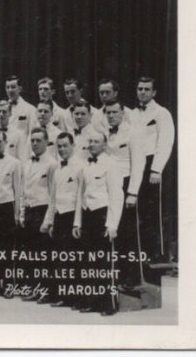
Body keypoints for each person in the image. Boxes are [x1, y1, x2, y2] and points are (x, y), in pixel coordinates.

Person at [75, 131, 124, 316]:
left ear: (104, 145)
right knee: (89, 263)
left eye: (96, 141)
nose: (92, 144)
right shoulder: (85, 165)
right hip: (88, 216)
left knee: (104, 263)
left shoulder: (111, 164)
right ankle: (92, 302)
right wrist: (77, 223)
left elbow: (116, 196)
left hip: (103, 216)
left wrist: (112, 225)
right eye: (90, 141)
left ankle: (109, 304)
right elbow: (81, 195)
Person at [130, 76, 176, 264]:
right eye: (140, 88)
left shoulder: (162, 113)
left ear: (154, 92)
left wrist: (156, 169)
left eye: (147, 89)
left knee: (154, 210)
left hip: (153, 165)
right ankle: (143, 252)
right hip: (135, 163)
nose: (142, 92)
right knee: (139, 209)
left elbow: (166, 141)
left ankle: (158, 253)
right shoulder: (132, 113)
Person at [104, 100, 146, 289]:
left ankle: (133, 277)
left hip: (127, 184)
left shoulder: (133, 133)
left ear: (123, 112)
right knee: (114, 232)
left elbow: (139, 163)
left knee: (129, 233)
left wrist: (133, 192)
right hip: (109, 185)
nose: (111, 115)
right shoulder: (105, 133)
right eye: (108, 113)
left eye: (115, 112)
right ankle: (118, 275)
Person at [42, 132, 82, 307]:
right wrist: (49, 221)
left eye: (65, 145)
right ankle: (58, 294)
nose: (62, 149)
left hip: (72, 216)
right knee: (56, 258)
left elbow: (80, 196)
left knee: (71, 259)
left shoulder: (80, 166)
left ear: (73, 146)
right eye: (59, 146)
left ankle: (71, 297)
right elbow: (53, 196)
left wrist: (77, 223)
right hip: (58, 216)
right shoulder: (56, 168)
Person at [18, 128, 58, 299]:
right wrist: (21, 214)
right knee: (29, 254)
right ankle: (32, 287)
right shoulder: (26, 164)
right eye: (32, 140)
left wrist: (48, 220)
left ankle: (45, 290)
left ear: (47, 142)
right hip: (28, 212)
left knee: (44, 254)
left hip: (43, 211)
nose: (34, 143)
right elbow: (22, 192)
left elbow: (54, 193)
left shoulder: (52, 164)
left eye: (38, 140)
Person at [4, 75, 37, 140]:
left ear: (20, 89)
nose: (10, 90)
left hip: (22, 148)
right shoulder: (2, 108)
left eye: (13, 87)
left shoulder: (30, 109)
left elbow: (32, 133)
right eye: (8, 87)